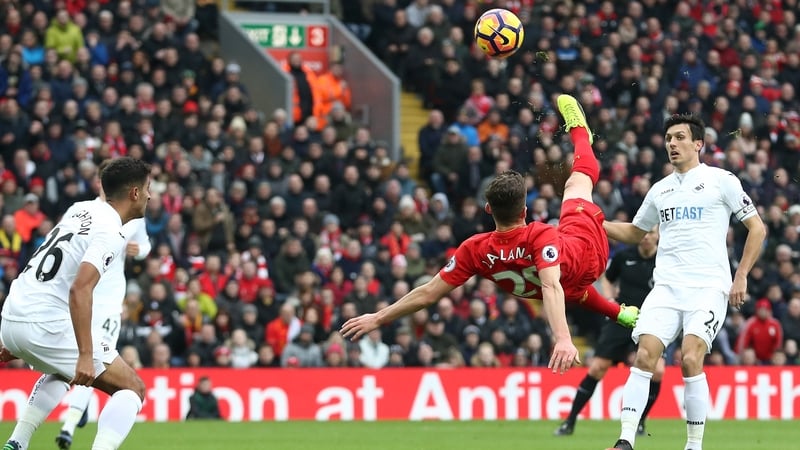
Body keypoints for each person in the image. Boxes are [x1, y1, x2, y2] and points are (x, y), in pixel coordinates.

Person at [342, 94, 638, 374]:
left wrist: (377, 317)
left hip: (566, 282)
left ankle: (616, 309)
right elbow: (552, 288)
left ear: (487, 209)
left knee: (569, 283)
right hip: (586, 252)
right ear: (525, 210)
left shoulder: (475, 249)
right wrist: (563, 337)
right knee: (577, 183)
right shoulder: (540, 234)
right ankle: (579, 133)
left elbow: (427, 294)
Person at [604, 114, 766, 450]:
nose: (672, 144)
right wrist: (596, 222)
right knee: (645, 356)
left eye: (679, 137)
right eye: (668, 139)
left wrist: (741, 275)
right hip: (665, 288)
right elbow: (636, 232)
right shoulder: (660, 189)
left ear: (698, 144)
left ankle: (693, 445)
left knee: (691, 358)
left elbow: (757, 228)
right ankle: (625, 441)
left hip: (708, 288)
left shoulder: (722, 180)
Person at [0, 157, 151, 450]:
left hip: (14, 314)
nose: (150, 195)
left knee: (59, 370)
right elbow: (80, 289)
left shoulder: (81, 210)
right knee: (132, 388)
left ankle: (17, 443)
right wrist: (85, 354)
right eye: (147, 188)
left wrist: (14, 334)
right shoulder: (111, 231)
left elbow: (40, 262)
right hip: (45, 322)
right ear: (134, 193)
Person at [56, 160, 153, 450]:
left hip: (108, 298)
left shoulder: (134, 217)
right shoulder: (85, 211)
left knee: (95, 357)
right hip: (83, 295)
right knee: (88, 360)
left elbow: (146, 245)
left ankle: (69, 425)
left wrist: (139, 250)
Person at [555, 229, 663, 437]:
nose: (647, 237)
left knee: (657, 371)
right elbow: (607, 278)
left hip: (651, 320)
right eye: (644, 233)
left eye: (651, 233)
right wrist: (609, 300)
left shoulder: (665, 259)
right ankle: (570, 421)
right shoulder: (624, 256)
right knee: (597, 368)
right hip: (621, 318)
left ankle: (640, 422)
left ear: (658, 235)